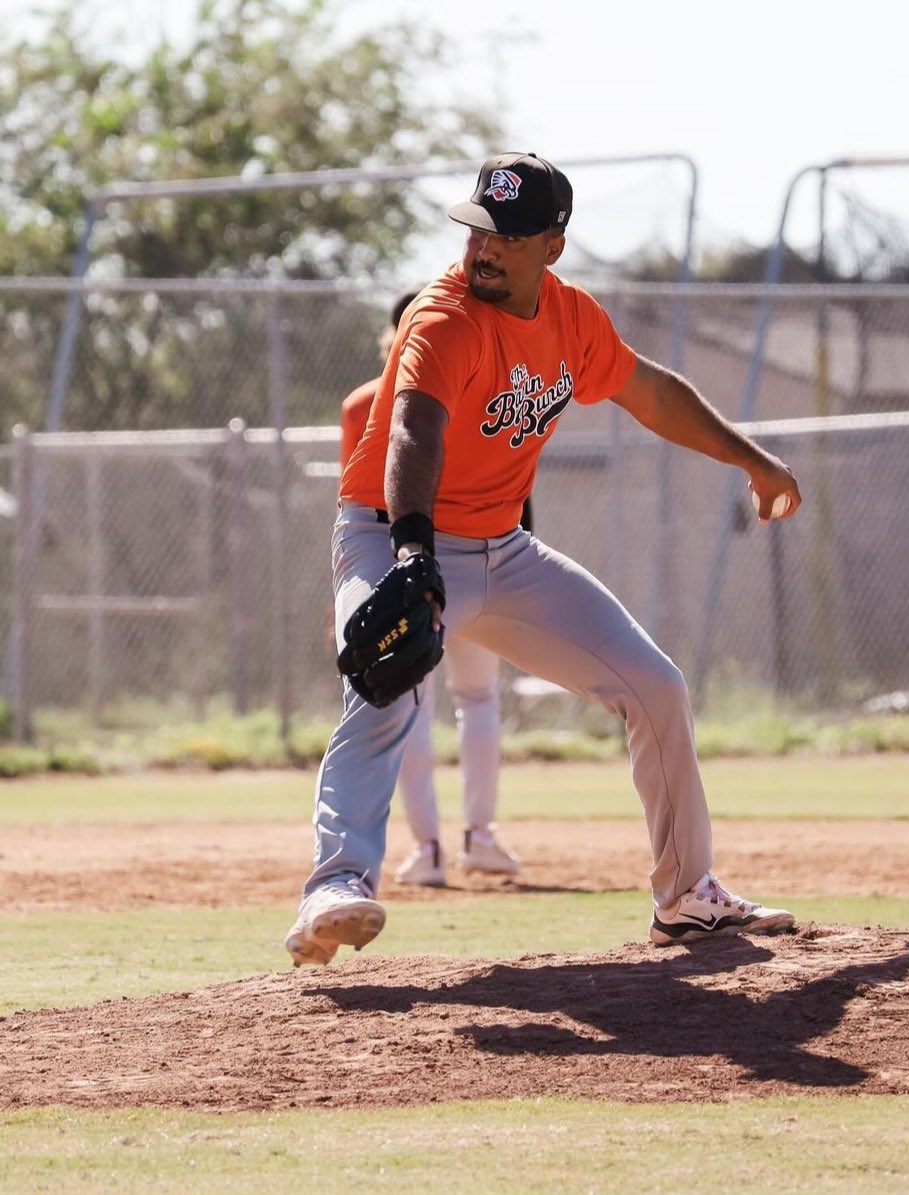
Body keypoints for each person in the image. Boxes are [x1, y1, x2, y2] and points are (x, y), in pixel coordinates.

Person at [286, 151, 803, 967]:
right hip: (391, 531)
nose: (482, 248)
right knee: (385, 680)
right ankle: (336, 885)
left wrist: (752, 459)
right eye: (477, 229)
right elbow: (414, 431)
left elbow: (653, 392)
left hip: (505, 548)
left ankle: (686, 896)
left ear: (552, 245)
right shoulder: (443, 317)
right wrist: (412, 554)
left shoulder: (571, 318)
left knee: (657, 686)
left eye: (507, 236)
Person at [340, 290, 523, 886]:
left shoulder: (363, 404)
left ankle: (430, 851)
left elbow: (356, 505)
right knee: (478, 699)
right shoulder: (485, 389)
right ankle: (481, 837)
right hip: (483, 557)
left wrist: (353, 587)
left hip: (402, 566)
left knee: (408, 703)